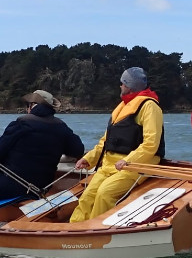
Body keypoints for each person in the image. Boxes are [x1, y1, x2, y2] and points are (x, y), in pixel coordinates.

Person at [0, 90, 84, 225]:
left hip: (15, 183)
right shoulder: (61, 127)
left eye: (28, 105)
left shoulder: (21, 123)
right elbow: (78, 149)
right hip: (43, 185)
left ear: (33, 105)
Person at [70, 67, 164, 223]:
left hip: (135, 164)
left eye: (122, 83)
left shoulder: (150, 107)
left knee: (105, 193)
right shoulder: (122, 107)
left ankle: (95, 230)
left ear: (129, 86)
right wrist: (89, 159)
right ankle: (74, 226)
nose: (120, 86)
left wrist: (129, 160)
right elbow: (105, 141)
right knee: (88, 196)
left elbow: (151, 143)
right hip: (109, 164)